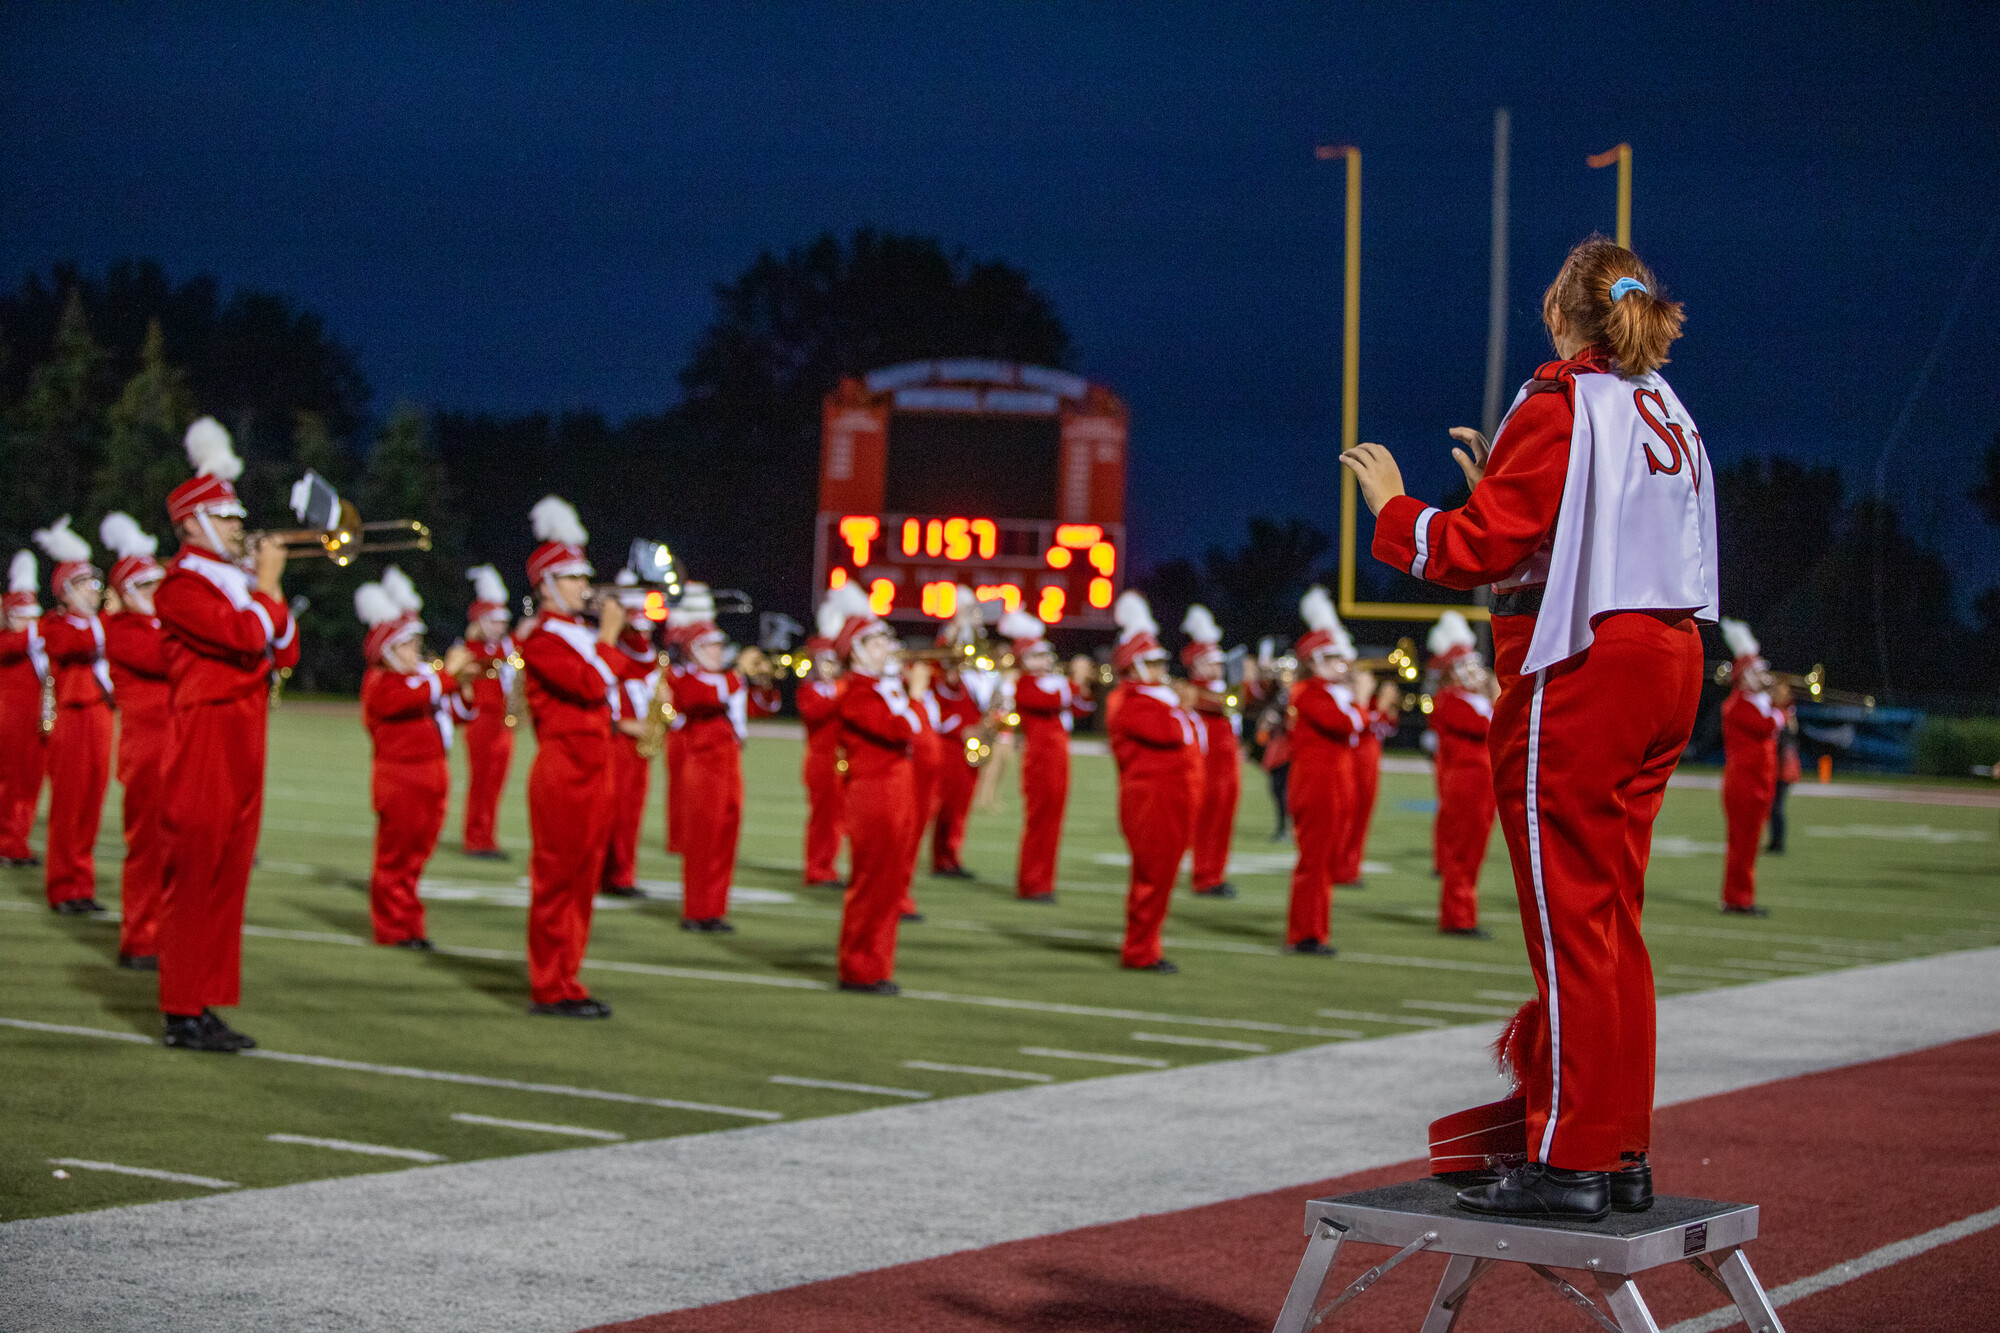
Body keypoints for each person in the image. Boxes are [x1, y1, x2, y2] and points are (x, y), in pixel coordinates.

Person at [1343, 236, 1714, 1220]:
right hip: (1668, 654)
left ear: (1559, 312)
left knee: (1567, 921)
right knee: (1611, 917)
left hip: (1588, 665)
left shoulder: (1560, 398)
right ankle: (1619, 1143)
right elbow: (1580, 526)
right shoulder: (1659, 401)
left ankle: (1571, 1159)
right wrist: (1501, 476)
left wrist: (1395, 508)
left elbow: (1482, 549)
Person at [154, 416, 300, 1052]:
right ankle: (180, 1009)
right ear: (191, 523)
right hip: (206, 734)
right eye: (226, 515)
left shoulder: (235, 581)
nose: (241, 526)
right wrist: (266, 587)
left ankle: (205, 999)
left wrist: (268, 593)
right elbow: (245, 635)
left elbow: (284, 650)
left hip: (245, 733)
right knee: (196, 870)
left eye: (239, 516)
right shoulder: (180, 586)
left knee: (230, 872)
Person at [518, 495, 648, 1018]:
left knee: (584, 880)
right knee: (557, 880)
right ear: (547, 585)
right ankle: (549, 985)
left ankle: (568, 976)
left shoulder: (583, 633)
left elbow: (635, 667)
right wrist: (613, 633)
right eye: (572, 577)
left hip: (596, 769)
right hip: (563, 770)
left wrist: (630, 628)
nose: (585, 585)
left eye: (583, 575)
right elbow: (591, 684)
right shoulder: (542, 639)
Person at [356, 569, 475, 949]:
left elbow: (451, 715)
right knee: (397, 859)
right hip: (401, 779)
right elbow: (405, 701)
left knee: (416, 858)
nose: (416, 652)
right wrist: (448, 676)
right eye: (407, 646)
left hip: (430, 776)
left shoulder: (419, 680)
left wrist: (466, 686)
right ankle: (392, 928)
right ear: (388, 650)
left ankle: (409, 923)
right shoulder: (381, 683)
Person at [826, 582, 925, 994]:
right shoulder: (855, 692)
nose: (889, 647)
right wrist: (915, 694)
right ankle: (858, 966)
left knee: (890, 883)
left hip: (898, 790)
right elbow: (899, 729)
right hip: (874, 794)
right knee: (870, 882)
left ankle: (878, 964)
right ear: (859, 650)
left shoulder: (885, 687)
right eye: (879, 641)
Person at [1105, 591, 1196, 972]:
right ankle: (1140, 949)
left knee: (1163, 875)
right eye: (1153, 663)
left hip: (1169, 796)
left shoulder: (1157, 697)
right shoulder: (1133, 701)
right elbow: (1172, 732)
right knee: (1152, 875)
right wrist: (1182, 705)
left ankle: (1148, 944)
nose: (1162, 670)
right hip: (1150, 799)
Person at [32, 518, 115, 916]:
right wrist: (102, 620)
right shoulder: (56, 624)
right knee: (67, 809)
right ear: (66, 590)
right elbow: (74, 646)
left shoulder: (99, 624)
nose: (94, 592)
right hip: (69, 719)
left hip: (99, 718)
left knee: (91, 808)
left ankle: (81, 885)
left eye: (95, 585)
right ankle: (61, 887)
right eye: (85, 585)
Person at [99, 513, 171, 968]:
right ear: (126, 594)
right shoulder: (124, 631)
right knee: (148, 851)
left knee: (176, 854)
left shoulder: (156, 626)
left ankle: (164, 933)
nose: (157, 597)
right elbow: (169, 659)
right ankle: (139, 938)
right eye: (146, 589)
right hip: (148, 755)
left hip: (176, 751)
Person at [1285, 587, 1362, 956]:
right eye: (1330, 658)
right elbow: (1346, 724)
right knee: (1313, 861)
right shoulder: (1310, 692)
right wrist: (1359, 700)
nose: (1340, 664)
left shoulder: (1330, 692)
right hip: (1316, 785)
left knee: (1325, 862)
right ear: (1313, 661)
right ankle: (1304, 933)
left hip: (1334, 783)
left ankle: (1317, 930)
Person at [666, 583, 747, 932]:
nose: (717, 651)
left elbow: (762, 705)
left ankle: (715, 909)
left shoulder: (723, 680)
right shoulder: (692, 680)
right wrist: (739, 675)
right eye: (710, 646)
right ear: (695, 650)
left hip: (730, 763)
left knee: (726, 837)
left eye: (718, 645)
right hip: (703, 765)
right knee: (702, 840)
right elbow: (701, 698)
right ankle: (695, 909)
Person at [1003, 608, 1086, 903]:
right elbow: (1051, 700)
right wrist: (1074, 681)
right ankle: (1031, 882)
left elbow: (1083, 707)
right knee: (1040, 821)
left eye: (1046, 656)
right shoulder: (1024, 684)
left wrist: (1078, 685)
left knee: (1053, 821)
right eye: (1037, 657)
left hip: (1058, 758)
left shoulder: (1055, 684)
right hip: (1040, 760)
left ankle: (1044, 881)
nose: (1045, 662)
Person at [1426, 611, 1499, 938]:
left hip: (1483, 785)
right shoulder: (1450, 699)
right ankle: (1457, 918)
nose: (1474, 672)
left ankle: (1464, 913)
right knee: (1462, 853)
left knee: (1474, 852)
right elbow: (1490, 729)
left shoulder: (1478, 699)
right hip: (1465, 784)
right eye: (1465, 666)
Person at [1719, 619, 1783, 916]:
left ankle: (1740, 896)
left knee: (1750, 843)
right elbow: (1766, 725)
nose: (1764, 675)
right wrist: (1781, 711)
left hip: (1759, 782)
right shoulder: (1738, 704)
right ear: (1744, 675)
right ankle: (1737, 899)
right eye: (1758, 671)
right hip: (1744, 784)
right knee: (1742, 844)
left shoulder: (1758, 700)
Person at [601, 573, 657, 899]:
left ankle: (623, 873)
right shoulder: (615, 659)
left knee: (632, 814)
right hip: (618, 743)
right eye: (637, 630)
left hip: (638, 746)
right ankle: (616, 876)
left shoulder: (643, 665)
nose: (644, 638)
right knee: (617, 813)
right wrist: (623, 723)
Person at [925, 588, 988, 879]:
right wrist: (962, 730)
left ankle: (951, 855)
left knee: (961, 804)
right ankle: (941, 857)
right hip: (950, 742)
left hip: (968, 741)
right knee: (944, 804)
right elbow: (940, 695)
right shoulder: (943, 660)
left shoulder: (973, 668)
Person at [1181, 604, 1242, 899]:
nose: (1217, 668)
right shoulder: (1195, 690)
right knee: (1208, 820)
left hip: (1228, 766)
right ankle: (1204, 875)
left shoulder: (1224, 689)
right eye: (1210, 662)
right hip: (1208, 766)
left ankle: (1216, 872)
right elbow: (1216, 703)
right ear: (1196, 665)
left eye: (1219, 663)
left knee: (1224, 819)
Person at [458, 565, 519, 860]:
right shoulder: (473, 647)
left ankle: (488, 836)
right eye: (493, 621)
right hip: (482, 720)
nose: (500, 626)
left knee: (495, 783)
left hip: (502, 721)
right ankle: (475, 838)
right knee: (481, 781)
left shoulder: (502, 646)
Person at [0, 552, 50, 868]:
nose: (28, 622)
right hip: (10, 719)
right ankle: (6, 842)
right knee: (9, 781)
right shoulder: (7, 640)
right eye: (22, 615)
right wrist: (38, 628)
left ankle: (19, 840)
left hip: (36, 720)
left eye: (33, 615)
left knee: (31, 782)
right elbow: (17, 645)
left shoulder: (35, 642)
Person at [797, 608, 846, 889]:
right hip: (821, 760)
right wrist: (844, 691)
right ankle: (817, 868)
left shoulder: (839, 686)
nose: (830, 665)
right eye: (825, 660)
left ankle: (828, 865)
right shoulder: (810, 689)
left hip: (840, 759)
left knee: (837, 817)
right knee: (823, 817)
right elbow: (815, 713)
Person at [1767, 677, 1800, 854]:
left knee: (1776, 806)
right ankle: (1774, 842)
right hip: (1779, 767)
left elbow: (1785, 742)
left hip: (1783, 767)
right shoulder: (1781, 711)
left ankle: (1778, 843)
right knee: (1773, 806)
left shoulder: (1784, 713)